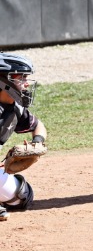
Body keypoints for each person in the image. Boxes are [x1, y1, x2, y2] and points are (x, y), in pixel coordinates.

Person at [0, 53, 46, 221]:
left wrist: (37, 142)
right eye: (21, 78)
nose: (27, 83)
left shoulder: (16, 108)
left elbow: (38, 126)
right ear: (3, 82)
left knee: (23, 196)